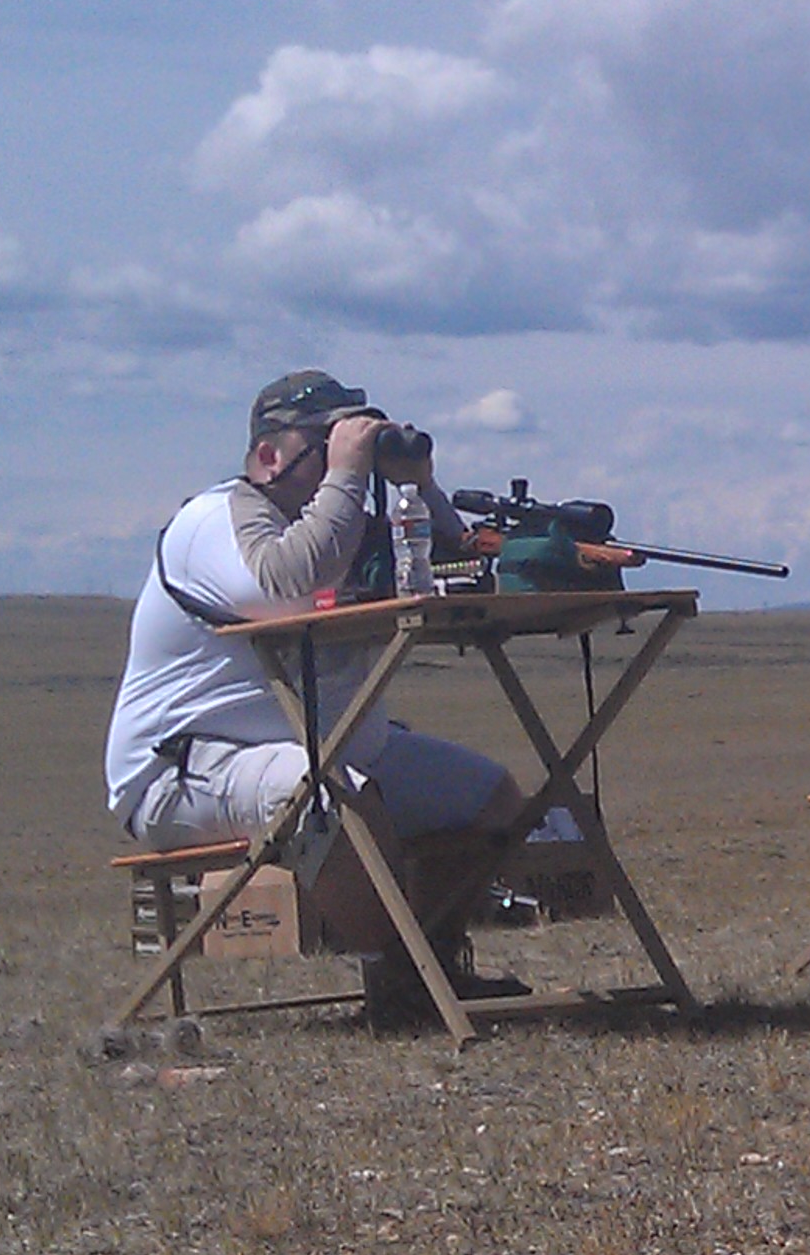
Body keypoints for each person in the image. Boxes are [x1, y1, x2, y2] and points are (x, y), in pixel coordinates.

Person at [103, 369, 530, 1027]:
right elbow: (292, 577)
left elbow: (454, 564)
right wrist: (351, 474)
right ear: (268, 455)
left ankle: (430, 968)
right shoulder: (214, 519)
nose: (344, 451)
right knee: (332, 799)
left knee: (489, 798)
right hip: (188, 769)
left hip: (326, 746)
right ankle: (405, 983)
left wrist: (418, 483)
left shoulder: (345, 523)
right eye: (325, 438)